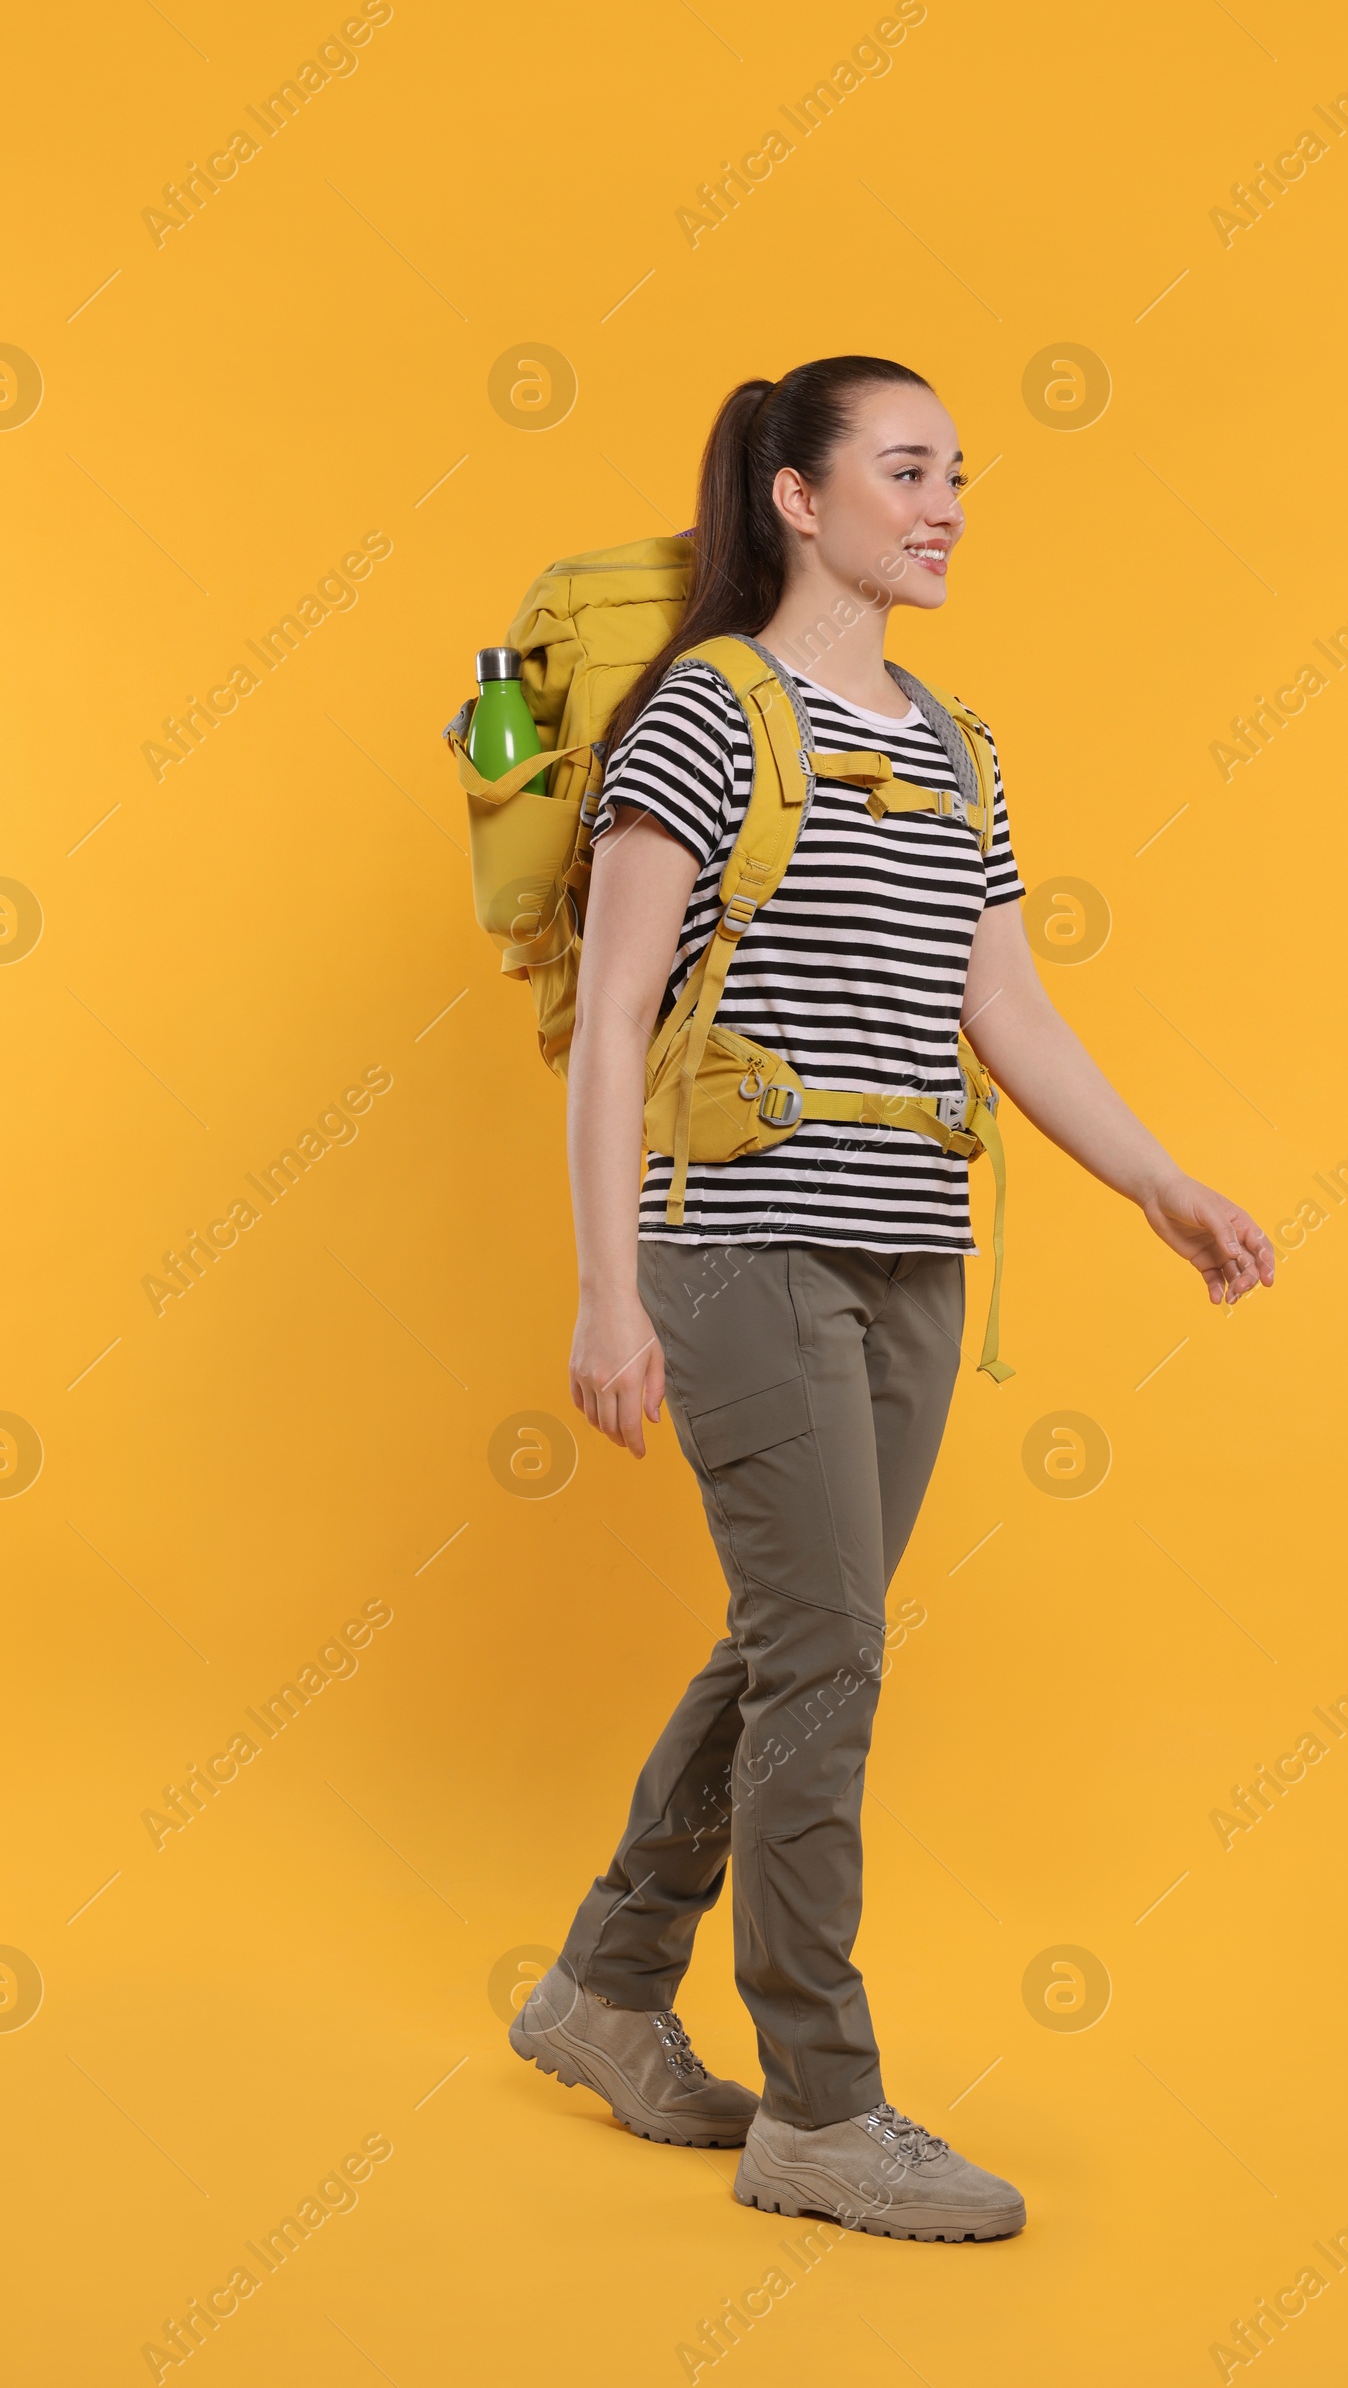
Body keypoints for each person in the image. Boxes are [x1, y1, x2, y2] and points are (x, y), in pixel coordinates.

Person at [510, 355, 1275, 2241]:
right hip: (735, 1240)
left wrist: (1158, 1174)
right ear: (796, 493)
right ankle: (821, 2109)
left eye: (959, 475)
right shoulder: (706, 709)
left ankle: (605, 1992)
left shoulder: (954, 737)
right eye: (908, 469)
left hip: (912, 1254)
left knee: (799, 1638)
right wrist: (610, 1293)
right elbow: (613, 1015)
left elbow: (999, 998)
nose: (945, 504)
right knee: (829, 1652)